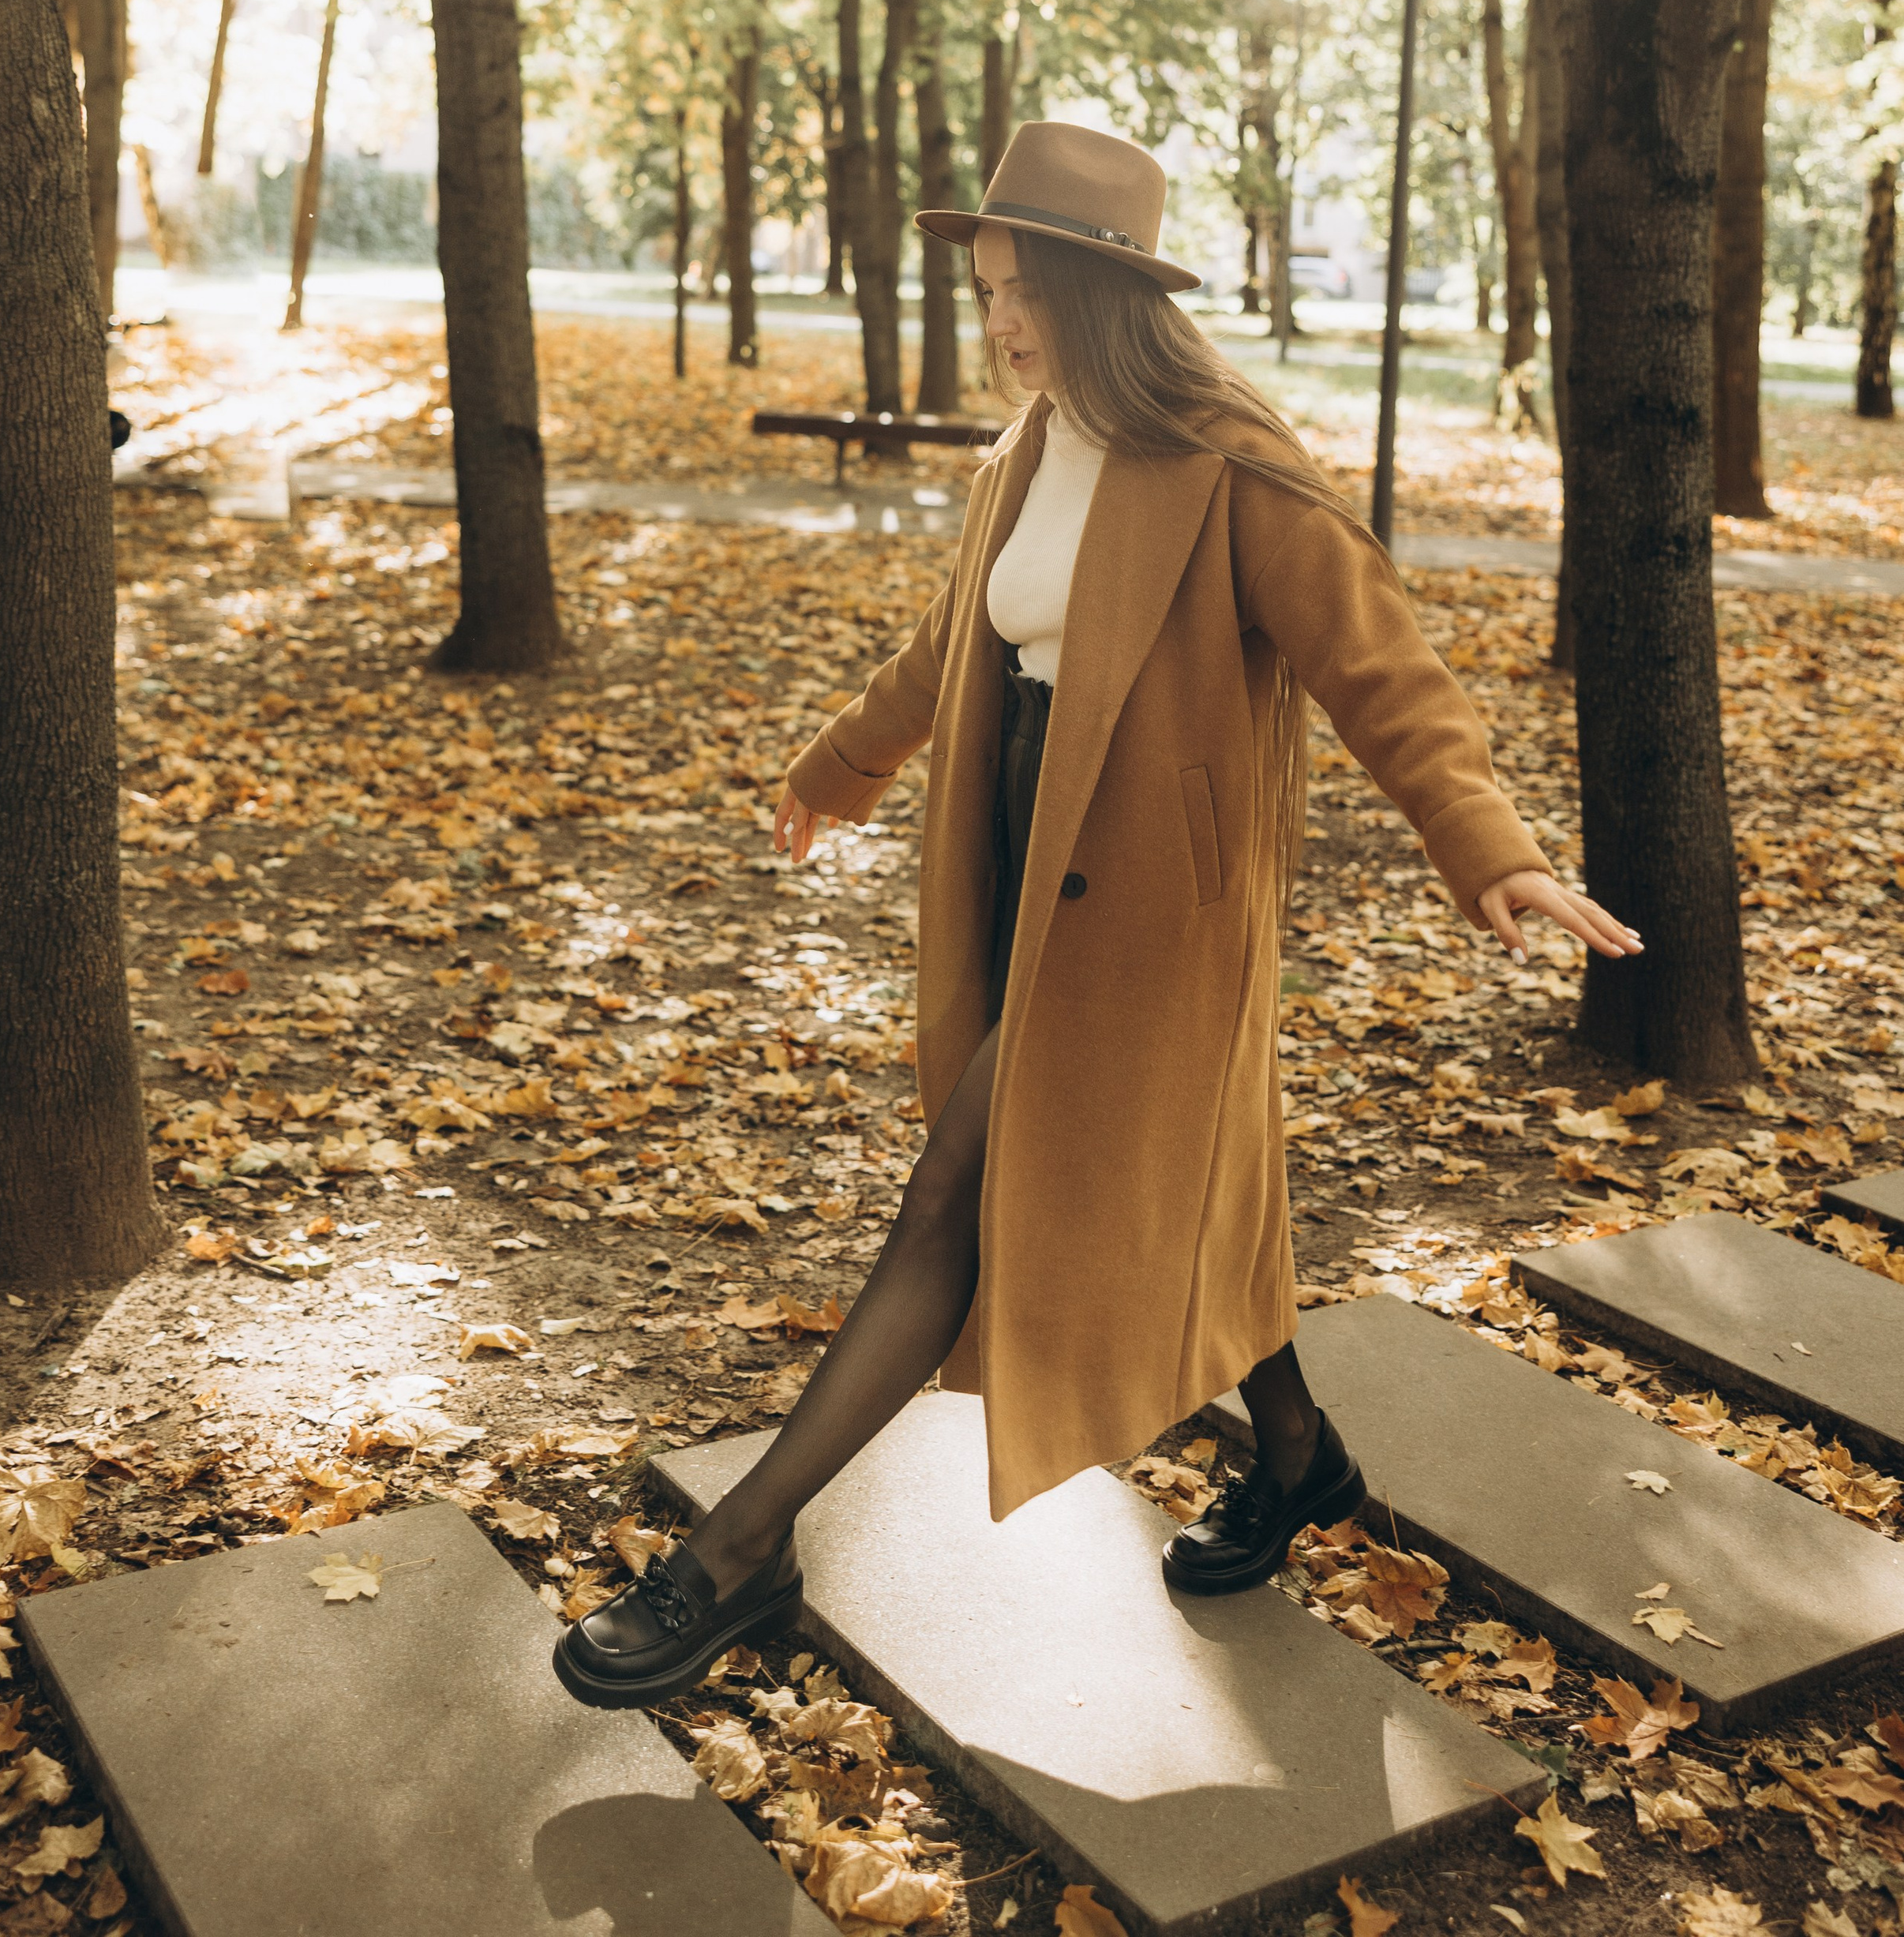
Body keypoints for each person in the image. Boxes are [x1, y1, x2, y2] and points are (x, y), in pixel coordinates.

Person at [555, 122, 1640, 1707]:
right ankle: (1293, 1452)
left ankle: (739, 1553)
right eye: (989, 290)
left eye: (1026, 295)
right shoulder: (1029, 443)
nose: (998, 324)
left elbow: (1380, 670)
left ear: (1105, 297)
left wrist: (1487, 848)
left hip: (1146, 919)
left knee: (954, 1204)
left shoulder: (1230, 462)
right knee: (1168, 1202)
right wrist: (840, 763)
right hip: (1016, 858)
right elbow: (956, 642)